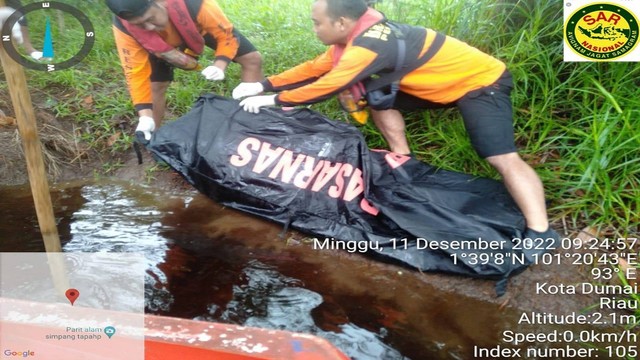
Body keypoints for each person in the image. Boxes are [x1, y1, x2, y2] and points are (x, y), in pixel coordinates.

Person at [232, 0, 558, 242]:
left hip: (480, 83)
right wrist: (263, 84)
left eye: (317, 23)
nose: (314, 28)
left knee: (499, 155)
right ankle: (401, 158)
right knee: (376, 97)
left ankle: (540, 231)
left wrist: (272, 100)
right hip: (438, 85)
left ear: (342, 23)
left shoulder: (369, 46)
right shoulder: (355, 38)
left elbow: (325, 85)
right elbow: (313, 68)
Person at [105, 0, 263, 141]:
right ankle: (155, 139)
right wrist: (144, 116)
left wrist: (219, 65)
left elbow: (226, 35)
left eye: (150, 19)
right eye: (140, 25)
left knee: (252, 59)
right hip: (156, 46)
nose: (149, 27)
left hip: (195, 25)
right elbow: (135, 72)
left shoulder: (196, 3)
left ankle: (252, 123)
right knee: (156, 86)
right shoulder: (125, 28)